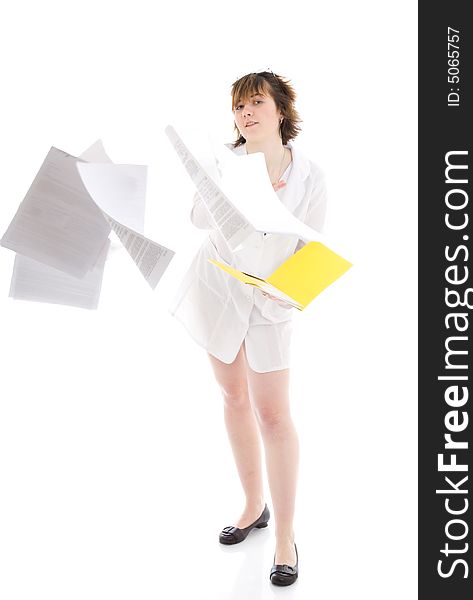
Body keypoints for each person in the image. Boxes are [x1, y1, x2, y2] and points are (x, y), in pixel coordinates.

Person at [169, 71, 327, 586]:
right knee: (233, 398)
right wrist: (221, 195)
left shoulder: (311, 176)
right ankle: (252, 505)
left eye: (256, 102)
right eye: (239, 106)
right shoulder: (225, 164)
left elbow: (313, 251)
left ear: (281, 111)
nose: (246, 113)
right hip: (219, 288)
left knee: (274, 415)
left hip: (270, 301)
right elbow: (196, 216)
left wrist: (281, 290)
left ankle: (284, 535)